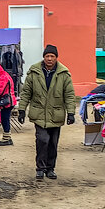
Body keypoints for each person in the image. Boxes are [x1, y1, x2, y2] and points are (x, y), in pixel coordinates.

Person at [17, 44, 76, 180]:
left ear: (56, 58)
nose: (49, 59)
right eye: (47, 56)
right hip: (39, 114)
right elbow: (26, 92)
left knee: (53, 143)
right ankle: (40, 168)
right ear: (44, 57)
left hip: (56, 114)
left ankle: (50, 169)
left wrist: (71, 113)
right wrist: (21, 110)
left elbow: (69, 94)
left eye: (52, 56)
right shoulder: (34, 72)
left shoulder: (64, 74)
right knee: (42, 140)